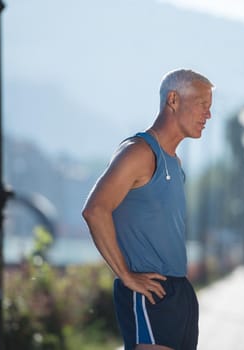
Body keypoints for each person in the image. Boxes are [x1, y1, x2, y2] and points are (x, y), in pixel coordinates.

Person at [82, 68, 214, 350]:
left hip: (179, 292)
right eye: (202, 105)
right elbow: (95, 210)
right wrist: (125, 275)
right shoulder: (139, 152)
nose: (208, 115)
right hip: (149, 292)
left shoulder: (175, 163)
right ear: (173, 100)